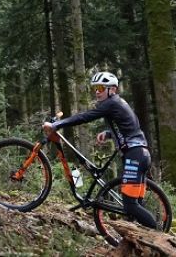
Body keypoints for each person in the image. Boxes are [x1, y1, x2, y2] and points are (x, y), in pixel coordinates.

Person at [42, 71, 158, 230]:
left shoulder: (111, 103)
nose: (97, 91)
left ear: (113, 89)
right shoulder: (119, 103)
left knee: (130, 206)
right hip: (140, 154)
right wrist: (109, 134)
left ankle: (159, 233)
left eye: (101, 88)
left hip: (135, 155)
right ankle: (151, 234)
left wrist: (57, 125)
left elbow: (85, 117)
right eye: (95, 88)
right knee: (135, 205)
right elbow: (132, 127)